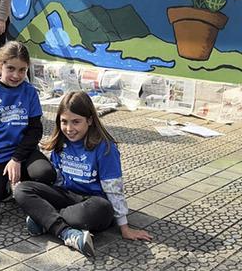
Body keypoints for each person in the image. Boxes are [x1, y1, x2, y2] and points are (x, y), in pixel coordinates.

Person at [14, 91, 152, 257]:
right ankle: (65, 232)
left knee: (100, 209)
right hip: (66, 195)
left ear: (90, 120)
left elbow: (114, 188)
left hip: (92, 202)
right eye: (64, 122)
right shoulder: (61, 141)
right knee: (22, 190)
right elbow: (58, 178)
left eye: (76, 122)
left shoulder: (105, 148)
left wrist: (124, 227)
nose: (69, 128)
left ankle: (44, 218)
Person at [0, 41, 56, 223]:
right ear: (0, 65)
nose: (16, 75)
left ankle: (25, 190)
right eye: (11, 68)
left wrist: (17, 158)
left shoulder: (30, 92)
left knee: (45, 174)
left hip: (23, 154)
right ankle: (6, 188)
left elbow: (35, 130)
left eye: (22, 70)